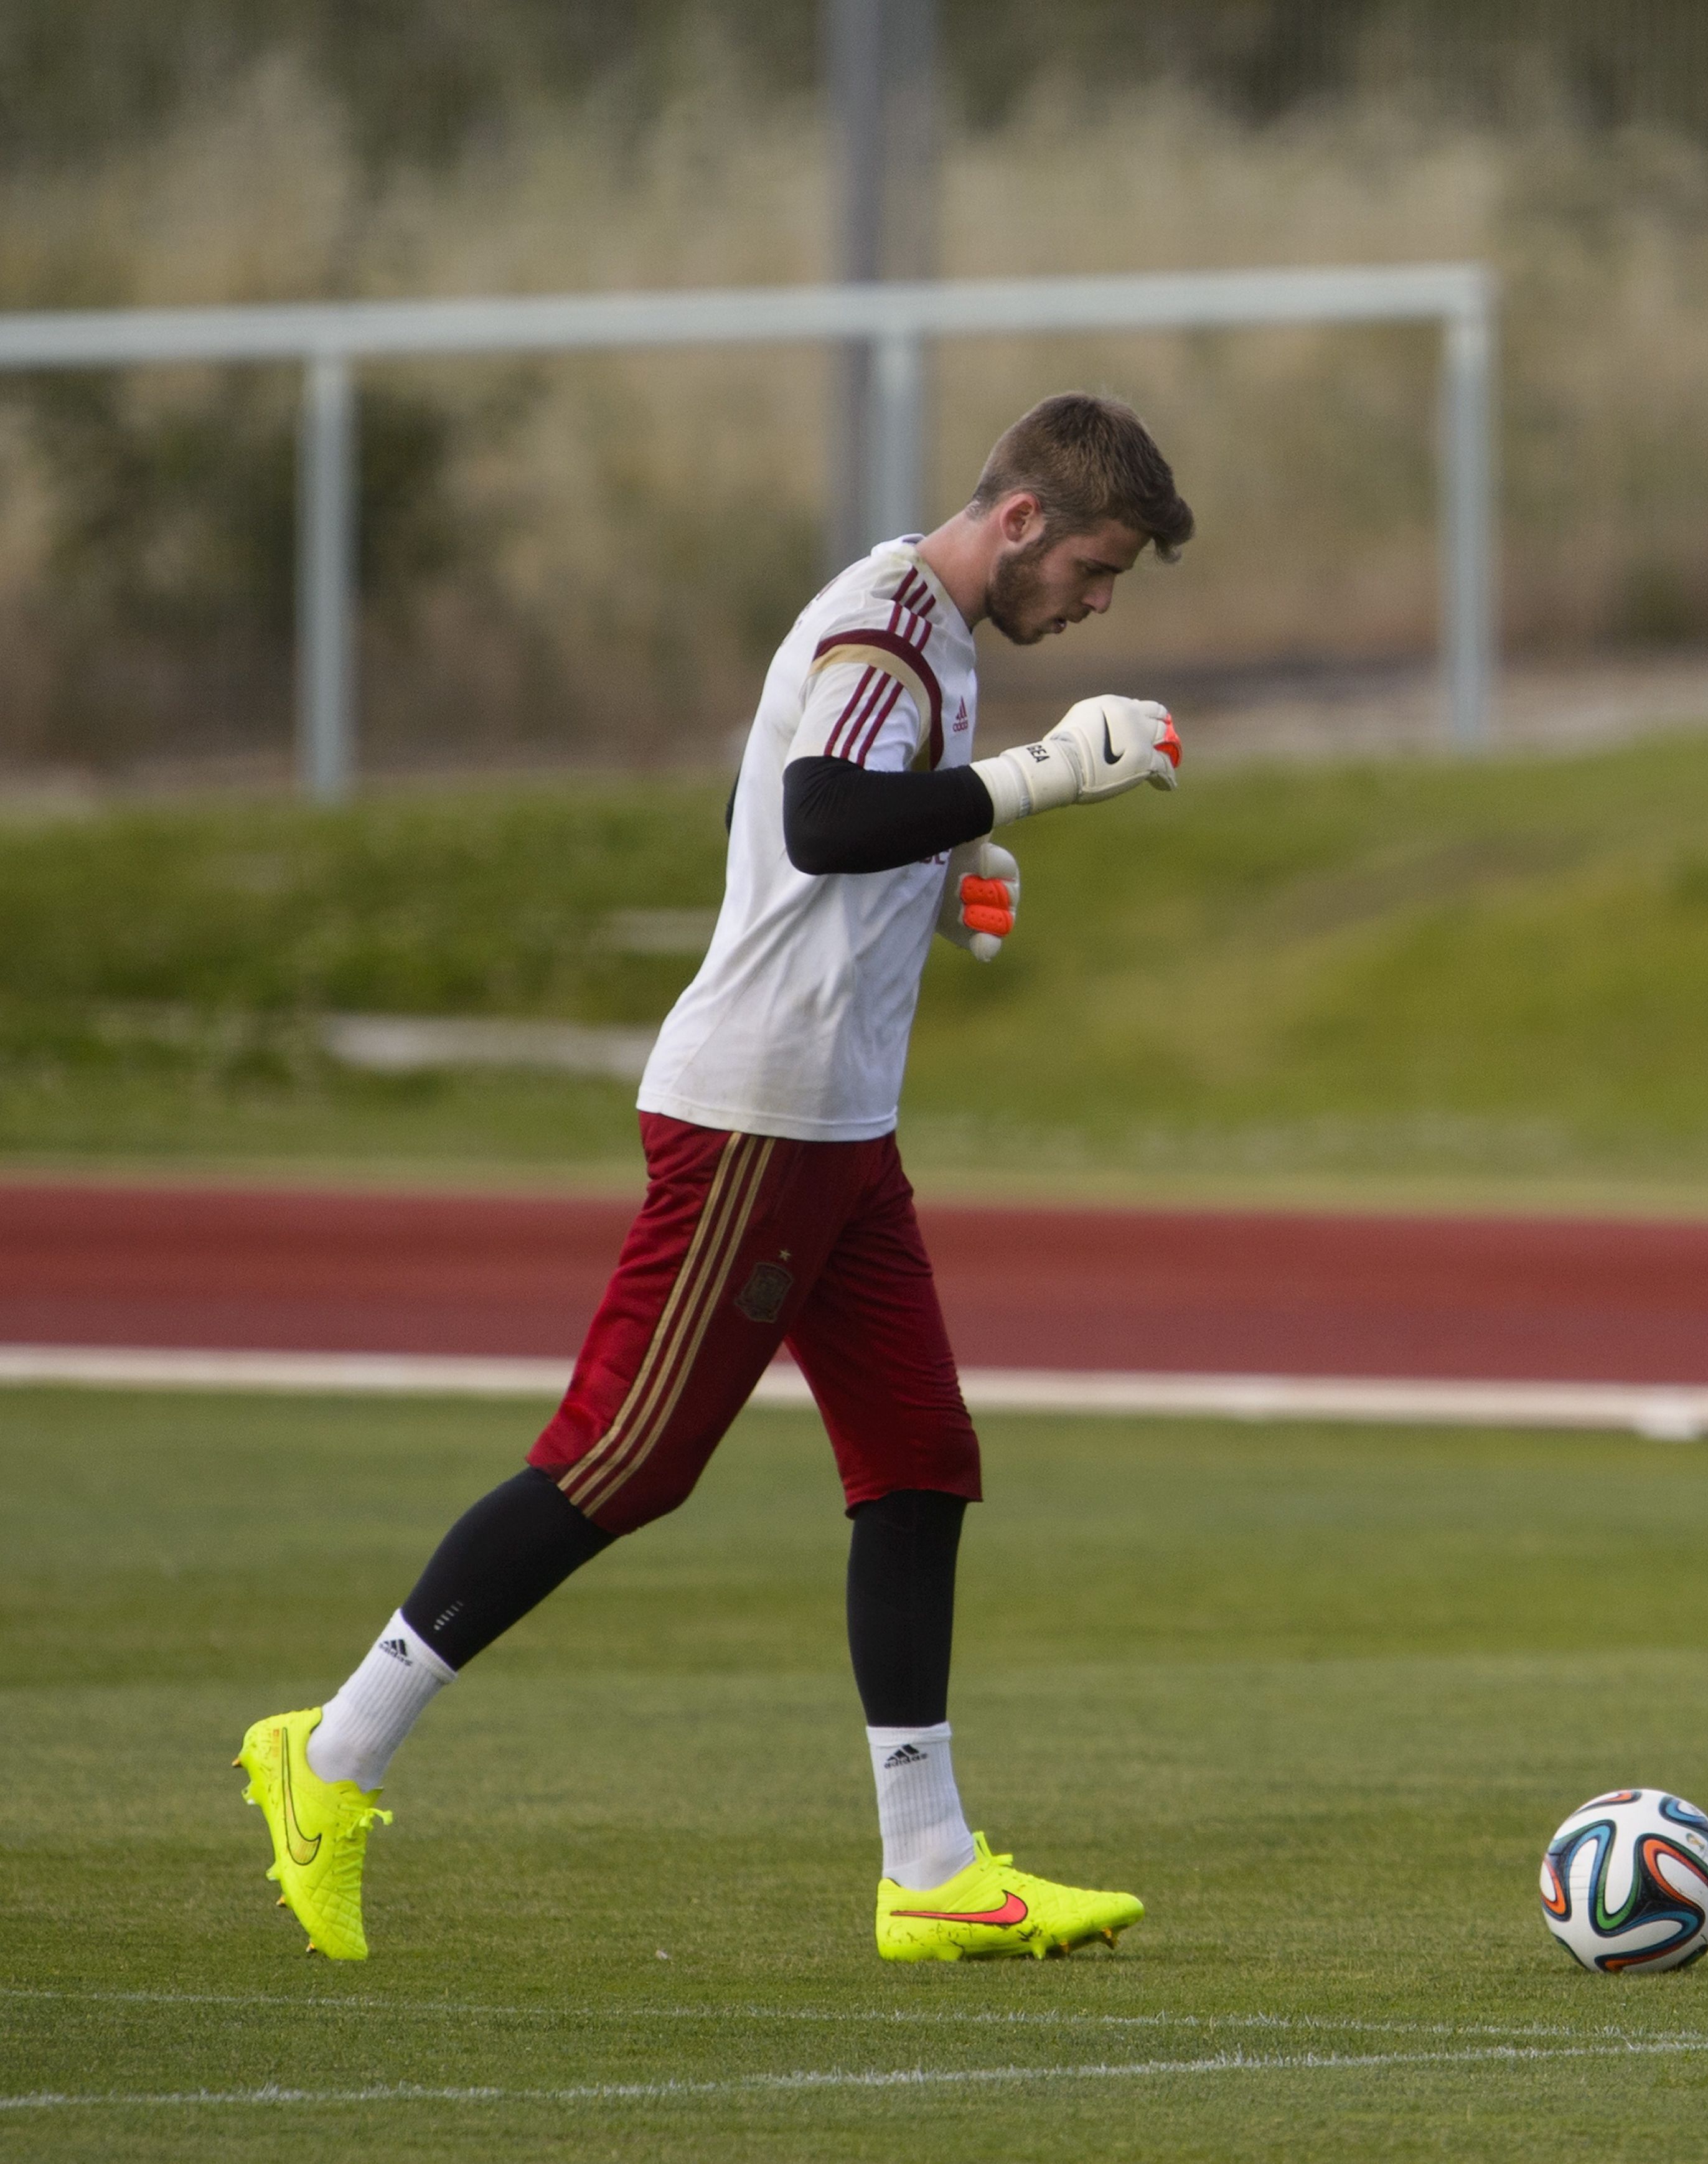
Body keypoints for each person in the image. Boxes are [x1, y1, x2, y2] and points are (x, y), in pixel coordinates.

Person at [237, 392, 1196, 1965]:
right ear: (1020, 520)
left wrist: (946, 872)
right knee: (625, 1460)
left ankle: (930, 1864)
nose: (1097, 604)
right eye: (1096, 568)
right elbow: (821, 821)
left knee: (919, 1460)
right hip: (761, 1119)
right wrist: (1027, 784)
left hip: (837, 1126)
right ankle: (328, 1755)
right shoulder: (891, 622)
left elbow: (800, 814)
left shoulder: (924, 632)